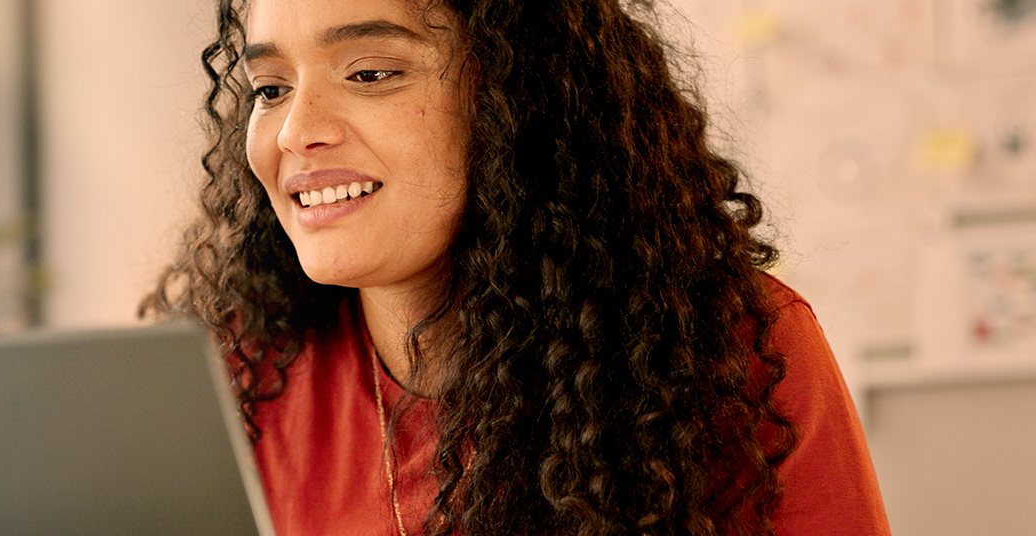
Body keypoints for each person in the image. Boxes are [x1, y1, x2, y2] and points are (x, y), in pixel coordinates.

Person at [139, 0, 890, 535]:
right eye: (271, 89)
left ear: (514, 95)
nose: (295, 132)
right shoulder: (237, 380)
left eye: (369, 74)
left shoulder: (735, 351)